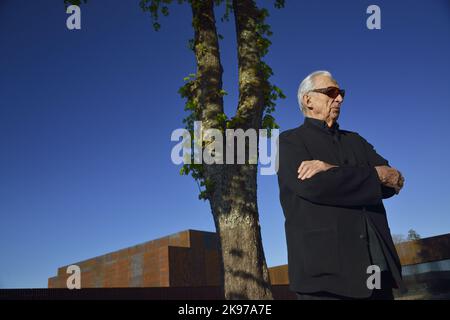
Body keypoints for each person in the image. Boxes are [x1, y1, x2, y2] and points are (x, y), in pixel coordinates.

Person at [277, 70, 406, 300]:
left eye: (341, 93)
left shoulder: (355, 140)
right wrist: (373, 176)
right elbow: (315, 187)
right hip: (325, 278)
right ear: (308, 100)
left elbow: (394, 180)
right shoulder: (288, 142)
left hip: (376, 269)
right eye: (332, 92)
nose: (340, 99)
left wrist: (330, 169)